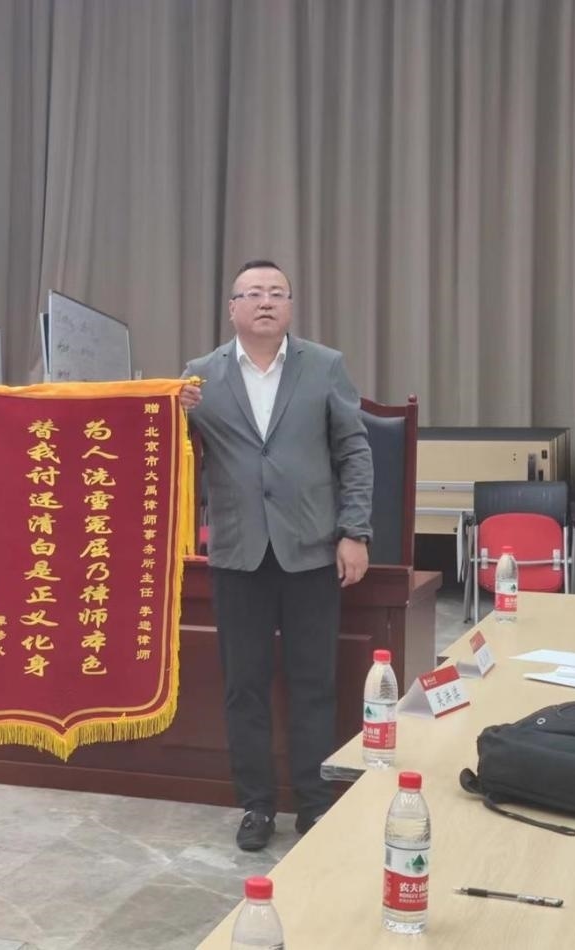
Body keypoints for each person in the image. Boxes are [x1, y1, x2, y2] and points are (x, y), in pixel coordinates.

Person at [179, 260, 373, 851]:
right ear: (232, 308)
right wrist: (170, 414)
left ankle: (314, 805)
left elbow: (354, 450)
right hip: (238, 553)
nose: (265, 302)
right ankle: (256, 806)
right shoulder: (199, 376)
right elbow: (170, 453)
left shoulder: (325, 365)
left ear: (290, 305)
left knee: (314, 682)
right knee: (244, 685)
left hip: (312, 549)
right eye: (253, 293)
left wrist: (355, 531)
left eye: (276, 293)